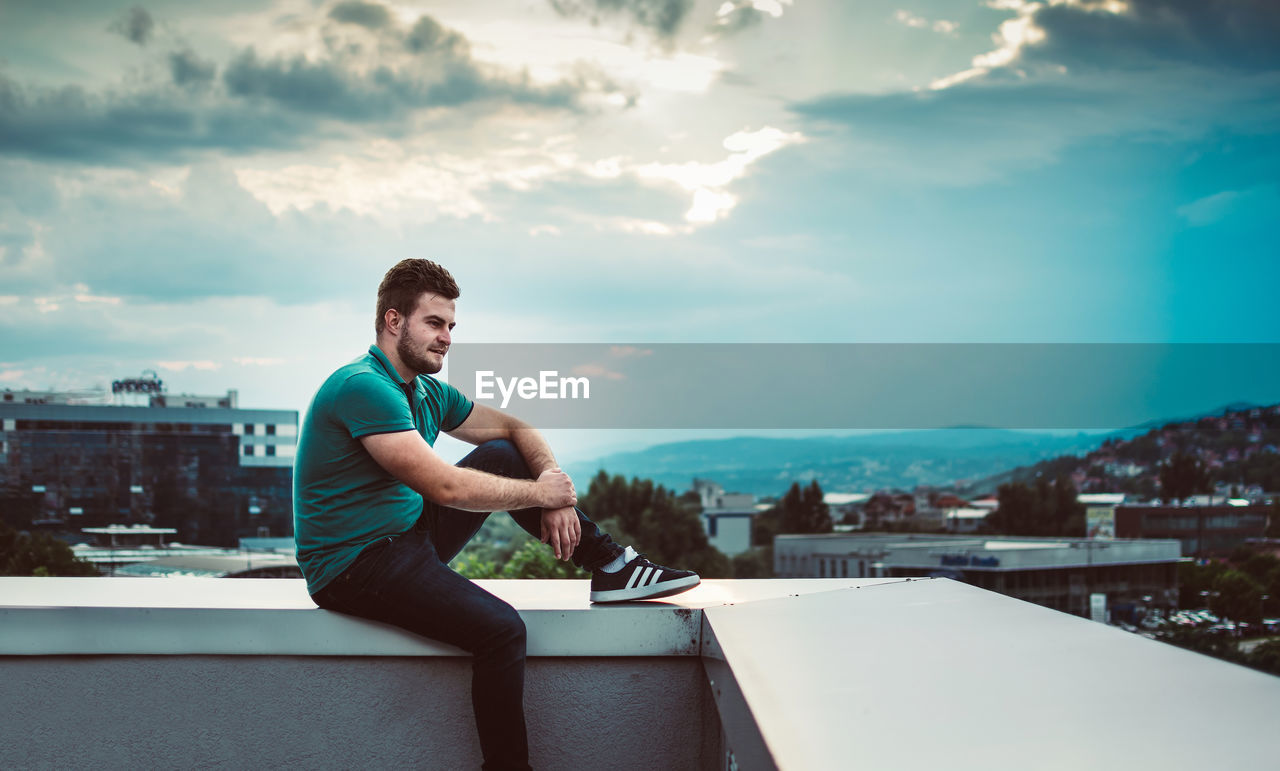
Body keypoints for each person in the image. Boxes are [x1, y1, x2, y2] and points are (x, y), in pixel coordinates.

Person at [293, 258, 699, 771]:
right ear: (394, 322)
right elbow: (444, 485)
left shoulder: (424, 390)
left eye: (451, 327)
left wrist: (555, 490)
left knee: (509, 455)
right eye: (434, 323)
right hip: (354, 565)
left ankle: (612, 565)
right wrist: (539, 494)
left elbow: (516, 428)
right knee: (502, 630)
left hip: (406, 536)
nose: (446, 338)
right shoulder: (362, 386)